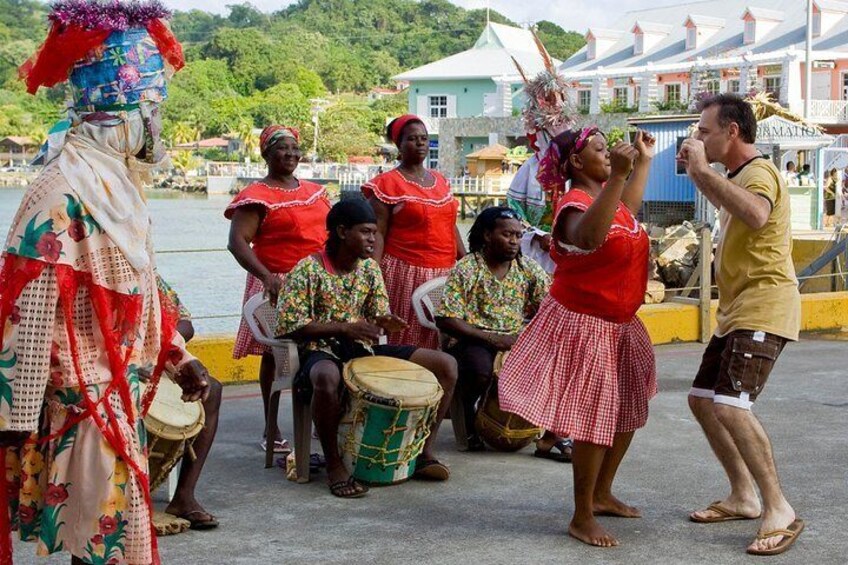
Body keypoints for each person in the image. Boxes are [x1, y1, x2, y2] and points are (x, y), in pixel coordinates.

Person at [0, 5, 210, 563]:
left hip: (118, 399)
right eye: (151, 111)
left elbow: (139, 286)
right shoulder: (61, 193)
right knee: (111, 550)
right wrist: (13, 417)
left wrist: (176, 356)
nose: (156, 126)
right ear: (121, 116)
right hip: (82, 406)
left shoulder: (117, 188)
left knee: (102, 546)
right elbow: (27, 306)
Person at [498, 127, 658, 548]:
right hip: (587, 324)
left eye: (610, 149)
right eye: (600, 150)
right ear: (574, 163)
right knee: (593, 420)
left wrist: (642, 161)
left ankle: (602, 494)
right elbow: (589, 238)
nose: (609, 155)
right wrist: (621, 174)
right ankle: (581, 515)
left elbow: (628, 207)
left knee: (628, 410)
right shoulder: (573, 204)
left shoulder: (612, 202)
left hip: (620, 323)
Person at [678, 94, 803, 556]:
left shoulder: (759, 171)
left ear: (732, 132)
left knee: (731, 405)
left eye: (705, 131)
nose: (698, 138)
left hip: (764, 306)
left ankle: (778, 507)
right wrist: (704, 174)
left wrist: (700, 172)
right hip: (736, 311)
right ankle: (743, 495)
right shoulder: (732, 175)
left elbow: (756, 214)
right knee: (703, 400)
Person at [276, 199, 458, 497]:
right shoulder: (307, 270)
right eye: (365, 232)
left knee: (446, 365)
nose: (373, 239)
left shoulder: (370, 269)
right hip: (319, 349)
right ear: (342, 231)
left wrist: (387, 321)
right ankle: (335, 464)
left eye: (375, 232)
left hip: (361, 349)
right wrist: (345, 327)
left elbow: (377, 313)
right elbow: (289, 326)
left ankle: (424, 452)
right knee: (326, 378)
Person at [226, 125, 331, 454]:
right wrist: (267, 275)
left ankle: (319, 417)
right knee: (277, 355)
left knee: (322, 349)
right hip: (276, 282)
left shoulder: (315, 190)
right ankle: (270, 427)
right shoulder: (256, 196)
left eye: (294, 148)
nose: (290, 154)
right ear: (266, 154)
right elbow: (237, 243)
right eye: (282, 148)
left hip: (317, 282)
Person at [436, 206, 570, 457]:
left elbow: (549, 305)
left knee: (556, 363)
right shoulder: (467, 268)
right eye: (507, 235)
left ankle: (550, 435)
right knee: (480, 370)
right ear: (487, 236)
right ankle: (470, 420)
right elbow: (446, 319)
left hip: (513, 338)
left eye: (518, 236)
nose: (514, 242)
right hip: (472, 337)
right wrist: (493, 339)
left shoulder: (526, 268)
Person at [362, 114, 465, 349]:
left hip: (445, 273)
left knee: (443, 341)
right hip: (405, 273)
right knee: (407, 342)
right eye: (412, 139)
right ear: (399, 145)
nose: (420, 143)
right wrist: (373, 276)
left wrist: (467, 261)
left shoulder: (440, 180)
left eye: (424, 138)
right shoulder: (387, 183)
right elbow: (377, 233)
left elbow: (450, 225)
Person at [152, 277, 222, 530]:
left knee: (211, 390)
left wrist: (161, 344)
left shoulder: (147, 272)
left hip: (157, 358)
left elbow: (185, 323)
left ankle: (184, 495)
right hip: (106, 368)